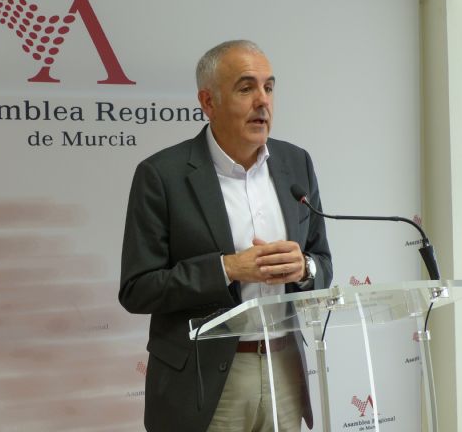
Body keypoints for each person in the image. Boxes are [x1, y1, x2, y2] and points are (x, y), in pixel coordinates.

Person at [119, 40, 332, 432]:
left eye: (269, 87)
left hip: (284, 368)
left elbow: (323, 262)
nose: (263, 101)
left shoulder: (296, 163)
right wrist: (226, 269)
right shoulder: (162, 175)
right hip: (205, 379)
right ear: (208, 101)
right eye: (246, 88)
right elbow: (138, 288)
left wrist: (304, 268)